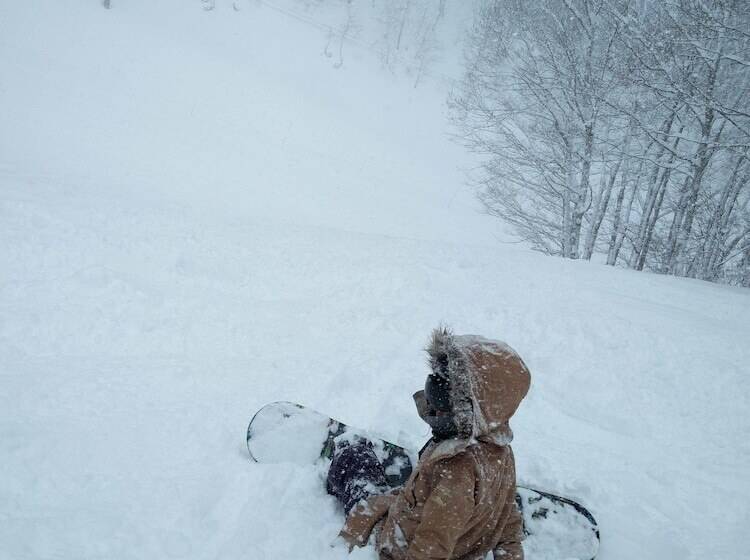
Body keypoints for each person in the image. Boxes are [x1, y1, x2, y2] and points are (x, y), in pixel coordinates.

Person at [329, 327, 531, 560]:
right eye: (432, 389)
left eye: (441, 398)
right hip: (454, 536)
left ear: (468, 409)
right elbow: (508, 519)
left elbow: (430, 546)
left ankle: (343, 469)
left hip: (397, 541)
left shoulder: (455, 473)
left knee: (353, 460)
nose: (432, 406)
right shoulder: (501, 452)